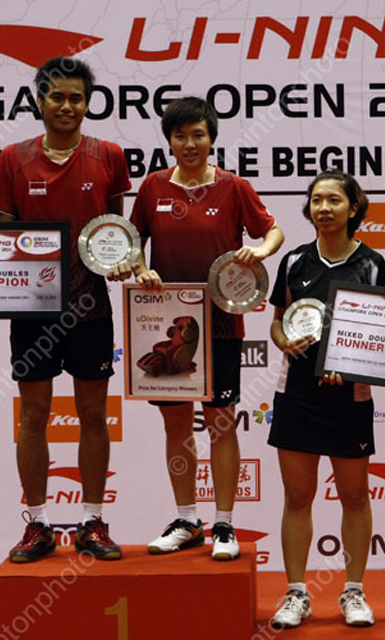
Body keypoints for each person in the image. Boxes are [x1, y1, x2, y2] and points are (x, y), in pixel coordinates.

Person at [126, 96, 284, 560]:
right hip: (167, 325)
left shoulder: (233, 186)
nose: (190, 143)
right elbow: (133, 240)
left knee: (220, 423)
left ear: (212, 138)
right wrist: (141, 269)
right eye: (181, 136)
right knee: (176, 424)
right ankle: (186, 519)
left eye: (198, 134)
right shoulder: (153, 187)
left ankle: (224, 523)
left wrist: (260, 251)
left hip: (220, 324)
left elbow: (273, 231)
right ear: (170, 141)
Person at [0, 56, 131, 562]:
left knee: (93, 414)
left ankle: (93, 521)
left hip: (91, 307)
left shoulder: (109, 155)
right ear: (39, 101)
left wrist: (121, 261)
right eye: (57, 96)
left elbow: (115, 232)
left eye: (77, 98)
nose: (67, 106)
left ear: (88, 103)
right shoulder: (12, 159)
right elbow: (5, 236)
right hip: (33, 310)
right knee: (33, 415)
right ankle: (37, 524)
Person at [268, 170, 385, 629]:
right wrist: (283, 340)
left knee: (355, 497)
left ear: (353, 208)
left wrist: (354, 365)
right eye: (317, 200)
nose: (324, 208)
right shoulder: (295, 262)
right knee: (298, 496)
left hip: (350, 397)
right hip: (297, 394)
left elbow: (384, 337)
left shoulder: (374, 265)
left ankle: (354, 591)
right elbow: (278, 321)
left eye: (334, 200)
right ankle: (296, 593)